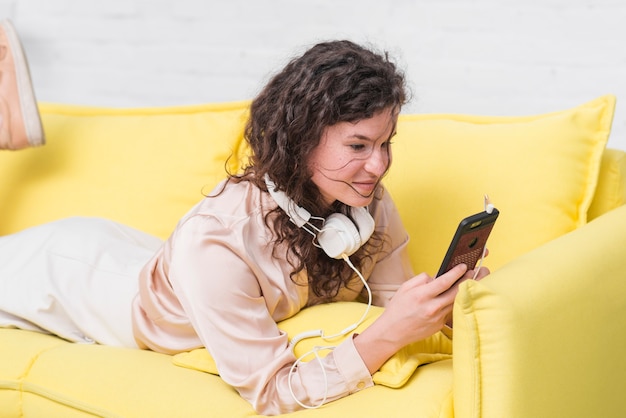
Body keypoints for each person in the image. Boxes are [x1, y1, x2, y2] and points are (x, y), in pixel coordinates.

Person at [0, 19, 490, 415]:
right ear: (300, 139)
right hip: (71, 278)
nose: (379, 166)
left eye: (386, 144)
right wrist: (387, 336)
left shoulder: (366, 203)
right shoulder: (217, 242)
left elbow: (389, 305)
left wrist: (438, 308)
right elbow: (274, 393)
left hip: (139, 257)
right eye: (359, 146)